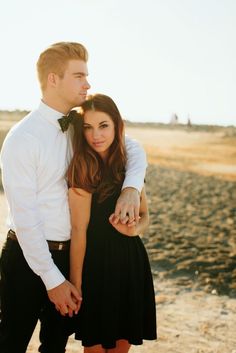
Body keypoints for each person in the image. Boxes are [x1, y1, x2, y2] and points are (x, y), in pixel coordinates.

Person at [0, 42, 147, 353]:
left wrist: (132, 187)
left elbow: (130, 146)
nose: (88, 83)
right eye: (79, 75)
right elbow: (25, 219)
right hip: (28, 257)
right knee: (11, 343)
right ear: (54, 79)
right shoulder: (22, 139)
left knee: (55, 347)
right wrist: (53, 280)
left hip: (74, 258)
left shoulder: (80, 126)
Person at [68, 94, 157, 353]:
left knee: (121, 348)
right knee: (94, 348)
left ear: (117, 125)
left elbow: (145, 216)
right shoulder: (82, 167)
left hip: (130, 263)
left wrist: (133, 230)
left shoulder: (130, 165)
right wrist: (76, 282)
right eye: (88, 127)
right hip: (94, 267)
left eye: (103, 125)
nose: (96, 135)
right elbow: (78, 230)